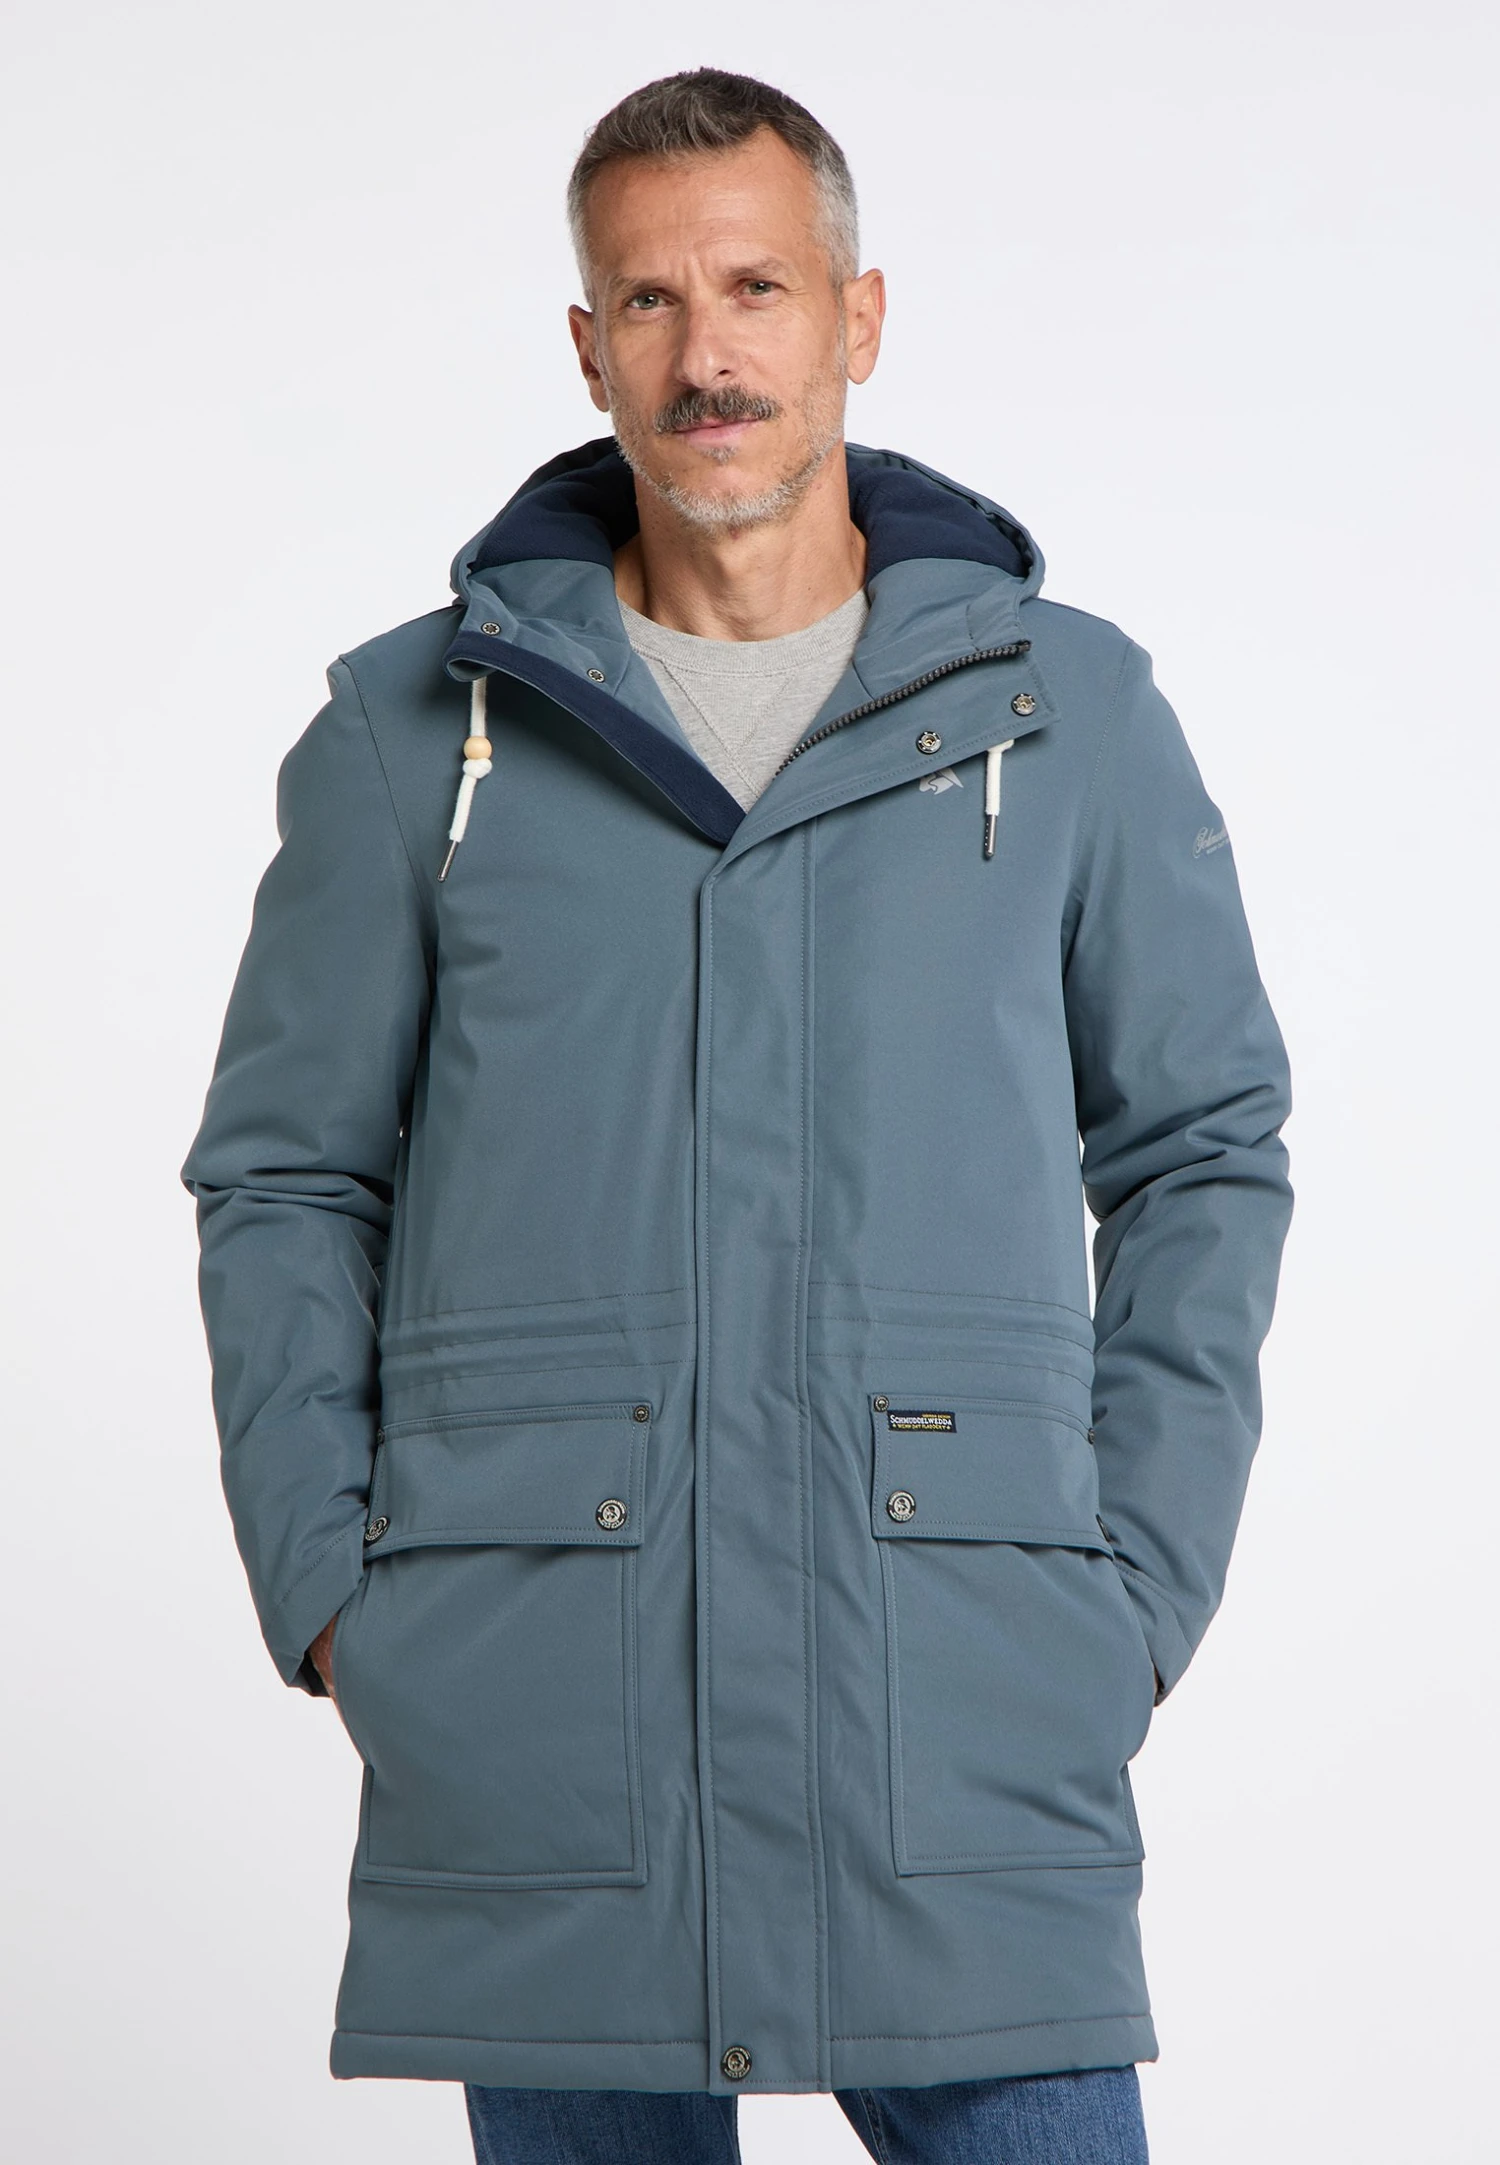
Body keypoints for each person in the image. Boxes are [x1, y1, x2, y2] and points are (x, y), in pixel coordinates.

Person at [180, 67, 1294, 2165]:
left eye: (758, 287)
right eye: (651, 299)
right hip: (545, 1701)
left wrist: (1136, 1582)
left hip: (959, 1702)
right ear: (587, 344)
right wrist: (328, 1578)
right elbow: (287, 1174)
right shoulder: (412, 732)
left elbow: (1203, 1149)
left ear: (858, 316)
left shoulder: (1068, 714)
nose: (709, 354)